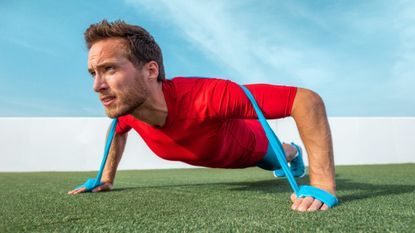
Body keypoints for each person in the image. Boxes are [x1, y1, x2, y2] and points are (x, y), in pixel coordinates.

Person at [68, 20, 336, 212]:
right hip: (218, 150)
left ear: (150, 71)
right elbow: (117, 130)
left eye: (110, 69)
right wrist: (106, 178)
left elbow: (306, 100)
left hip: (251, 145)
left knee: (277, 157)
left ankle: (293, 152)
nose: (97, 85)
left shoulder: (206, 95)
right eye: (94, 73)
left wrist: (322, 184)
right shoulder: (129, 110)